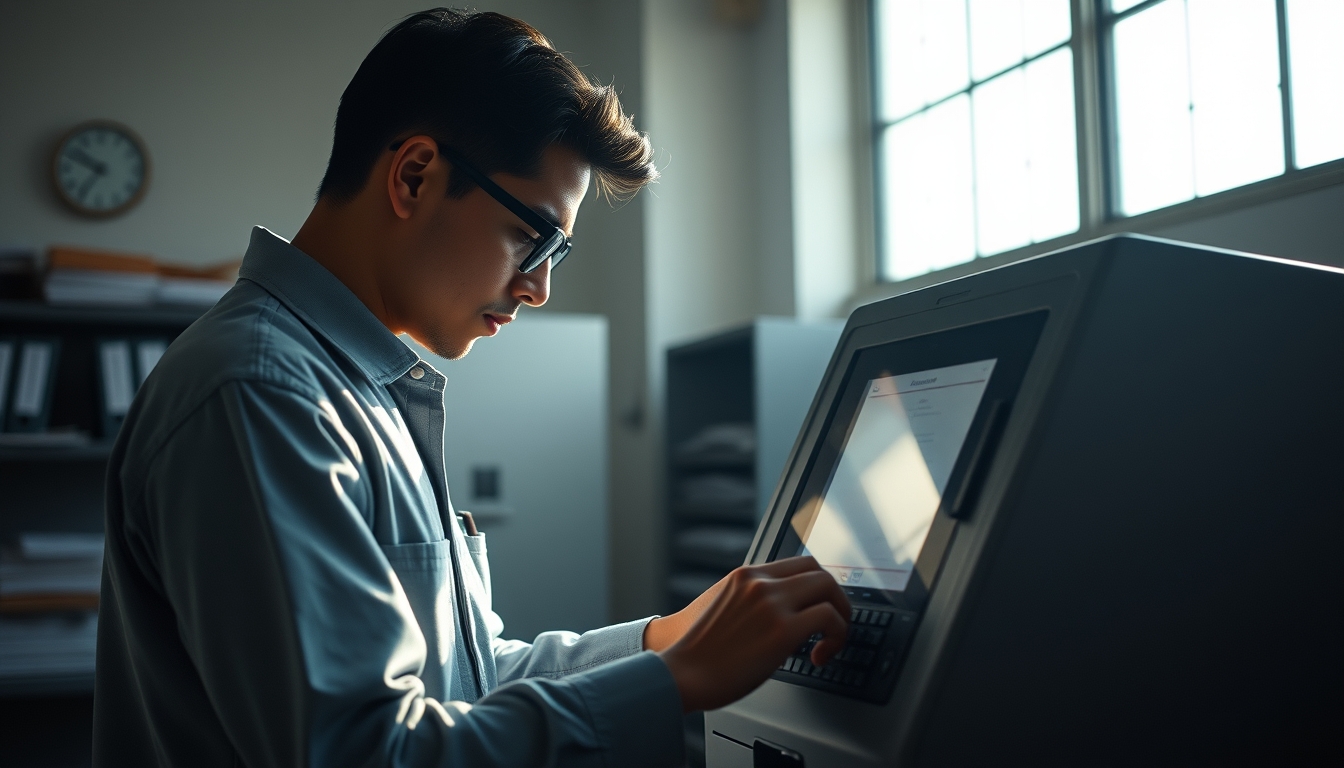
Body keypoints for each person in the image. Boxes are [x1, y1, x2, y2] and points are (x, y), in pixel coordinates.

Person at [93, 9, 849, 767]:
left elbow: (471, 679)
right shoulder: (260, 392)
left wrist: (666, 640)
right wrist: (673, 678)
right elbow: (363, 753)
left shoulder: (356, 389)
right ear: (414, 175)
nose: (539, 287)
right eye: (533, 237)